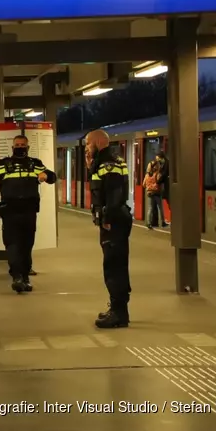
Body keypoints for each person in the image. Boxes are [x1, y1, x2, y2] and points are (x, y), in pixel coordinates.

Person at [0, 135, 56, 293]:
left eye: (23, 145)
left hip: (29, 211)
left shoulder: (35, 164)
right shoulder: (3, 164)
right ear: (12, 147)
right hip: (10, 211)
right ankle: (17, 277)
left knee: (27, 245)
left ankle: (25, 276)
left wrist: (46, 176)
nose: (20, 147)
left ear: (28, 147)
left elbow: (52, 177)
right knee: (12, 244)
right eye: (17, 145)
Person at [85, 129, 132, 328]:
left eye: (88, 144)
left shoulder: (109, 164)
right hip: (113, 220)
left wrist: (107, 218)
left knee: (114, 267)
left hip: (114, 221)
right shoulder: (106, 162)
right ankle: (117, 308)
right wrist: (89, 166)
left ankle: (119, 314)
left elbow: (113, 193)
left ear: (97, 142)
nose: (86, 148)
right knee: (114, 265)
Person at [143, 161, 164, 229]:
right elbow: (159, 181)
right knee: (160, 208)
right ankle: (162, 222)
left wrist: (149, 186)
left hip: (149, 193)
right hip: (156, 192)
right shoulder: (157, 174)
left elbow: (143, 184)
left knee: (150, 208)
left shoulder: (146, 175)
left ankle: (148, 223)